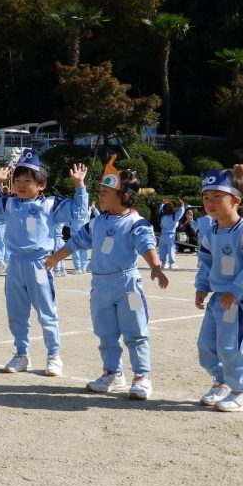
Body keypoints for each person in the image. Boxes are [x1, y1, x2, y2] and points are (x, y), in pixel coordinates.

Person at [44, 157, 168, 399]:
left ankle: (142, 376)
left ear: (123, 195)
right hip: (100, 286)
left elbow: (146, 244)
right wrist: (56, 258)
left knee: (136, 330)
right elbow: (76, 241)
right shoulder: (97, 222)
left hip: (128, 285)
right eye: (99, 191)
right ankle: (113, 373)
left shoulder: (136, 222)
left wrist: (155, 265)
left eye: (105, 191)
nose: (100, 195)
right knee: (106, 332)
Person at [0, 149, 88, 376]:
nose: (20, 185)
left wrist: (79, 186)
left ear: (41, 185)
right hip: (16, 263)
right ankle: (21, 354)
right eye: (17, 180)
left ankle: (54, 355)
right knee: (16, 312)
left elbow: (79, 212)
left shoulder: (51, 204)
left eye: (27, 181)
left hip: (40, 264)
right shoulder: (9, 204)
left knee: (46, 312)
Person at [195, 166, 243, 412]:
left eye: (218, 196)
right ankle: (222, 381)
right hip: (218, 298)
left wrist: (237, 290)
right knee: (206, 345)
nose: (210, 203)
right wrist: (202, 287)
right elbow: (206, 263)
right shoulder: (210, 233)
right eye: (206, 197)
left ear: (235, 200)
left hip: (241, 300)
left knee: (233, 346)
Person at [158, 199, 185, 269]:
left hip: (162, 235)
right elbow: (181, 212)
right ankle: (172, 263)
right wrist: (182, 204)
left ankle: (164, 263)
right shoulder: (174, 217)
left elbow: (160, 210)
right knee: (171, 249)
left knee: (162, 249)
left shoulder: (162, 216)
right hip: (170, 236)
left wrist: (162, 204)